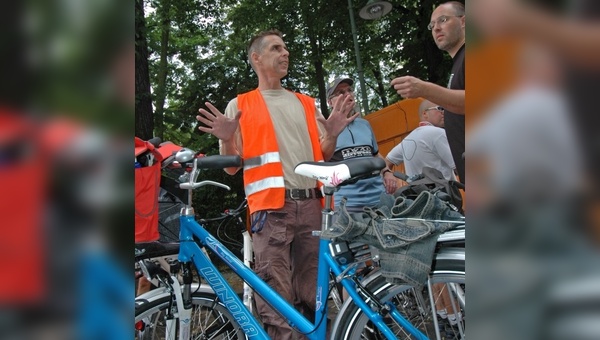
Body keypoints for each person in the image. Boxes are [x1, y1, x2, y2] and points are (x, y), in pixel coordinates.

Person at [195, 29, 357, 339]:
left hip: (313, 205)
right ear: (256, 58)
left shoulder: (305, 103)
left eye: (285, 48)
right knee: (275, 294)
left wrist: (333, 134)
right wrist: (228, 138)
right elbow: (231, 169)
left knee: (315, 292)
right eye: (275, 48)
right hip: (271, 210)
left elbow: (321, 154)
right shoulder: (240, 105)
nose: (285, 53)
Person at [390, 1, 465, 185]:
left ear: (464, 21)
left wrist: (424, 89)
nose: (436, 28)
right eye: (432, 25)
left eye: (443, 20)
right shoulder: (458, 64)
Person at [326, 77, 397, 211]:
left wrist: (387, 172)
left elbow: (375, 154)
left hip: (379, 198)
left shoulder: (364, 124)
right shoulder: (324, 128)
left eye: (349, 90)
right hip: (346, 203)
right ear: (330, 102)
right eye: (341, 93)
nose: (348, 94)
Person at [384, 99, 456, 181]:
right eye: (439, 108)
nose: (443, 112)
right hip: (444, 191)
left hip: (419, 192)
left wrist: (388, 176)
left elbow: (387, 161)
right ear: (425, 114)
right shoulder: (438, 133)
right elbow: (460, 165)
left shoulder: (407, 140)